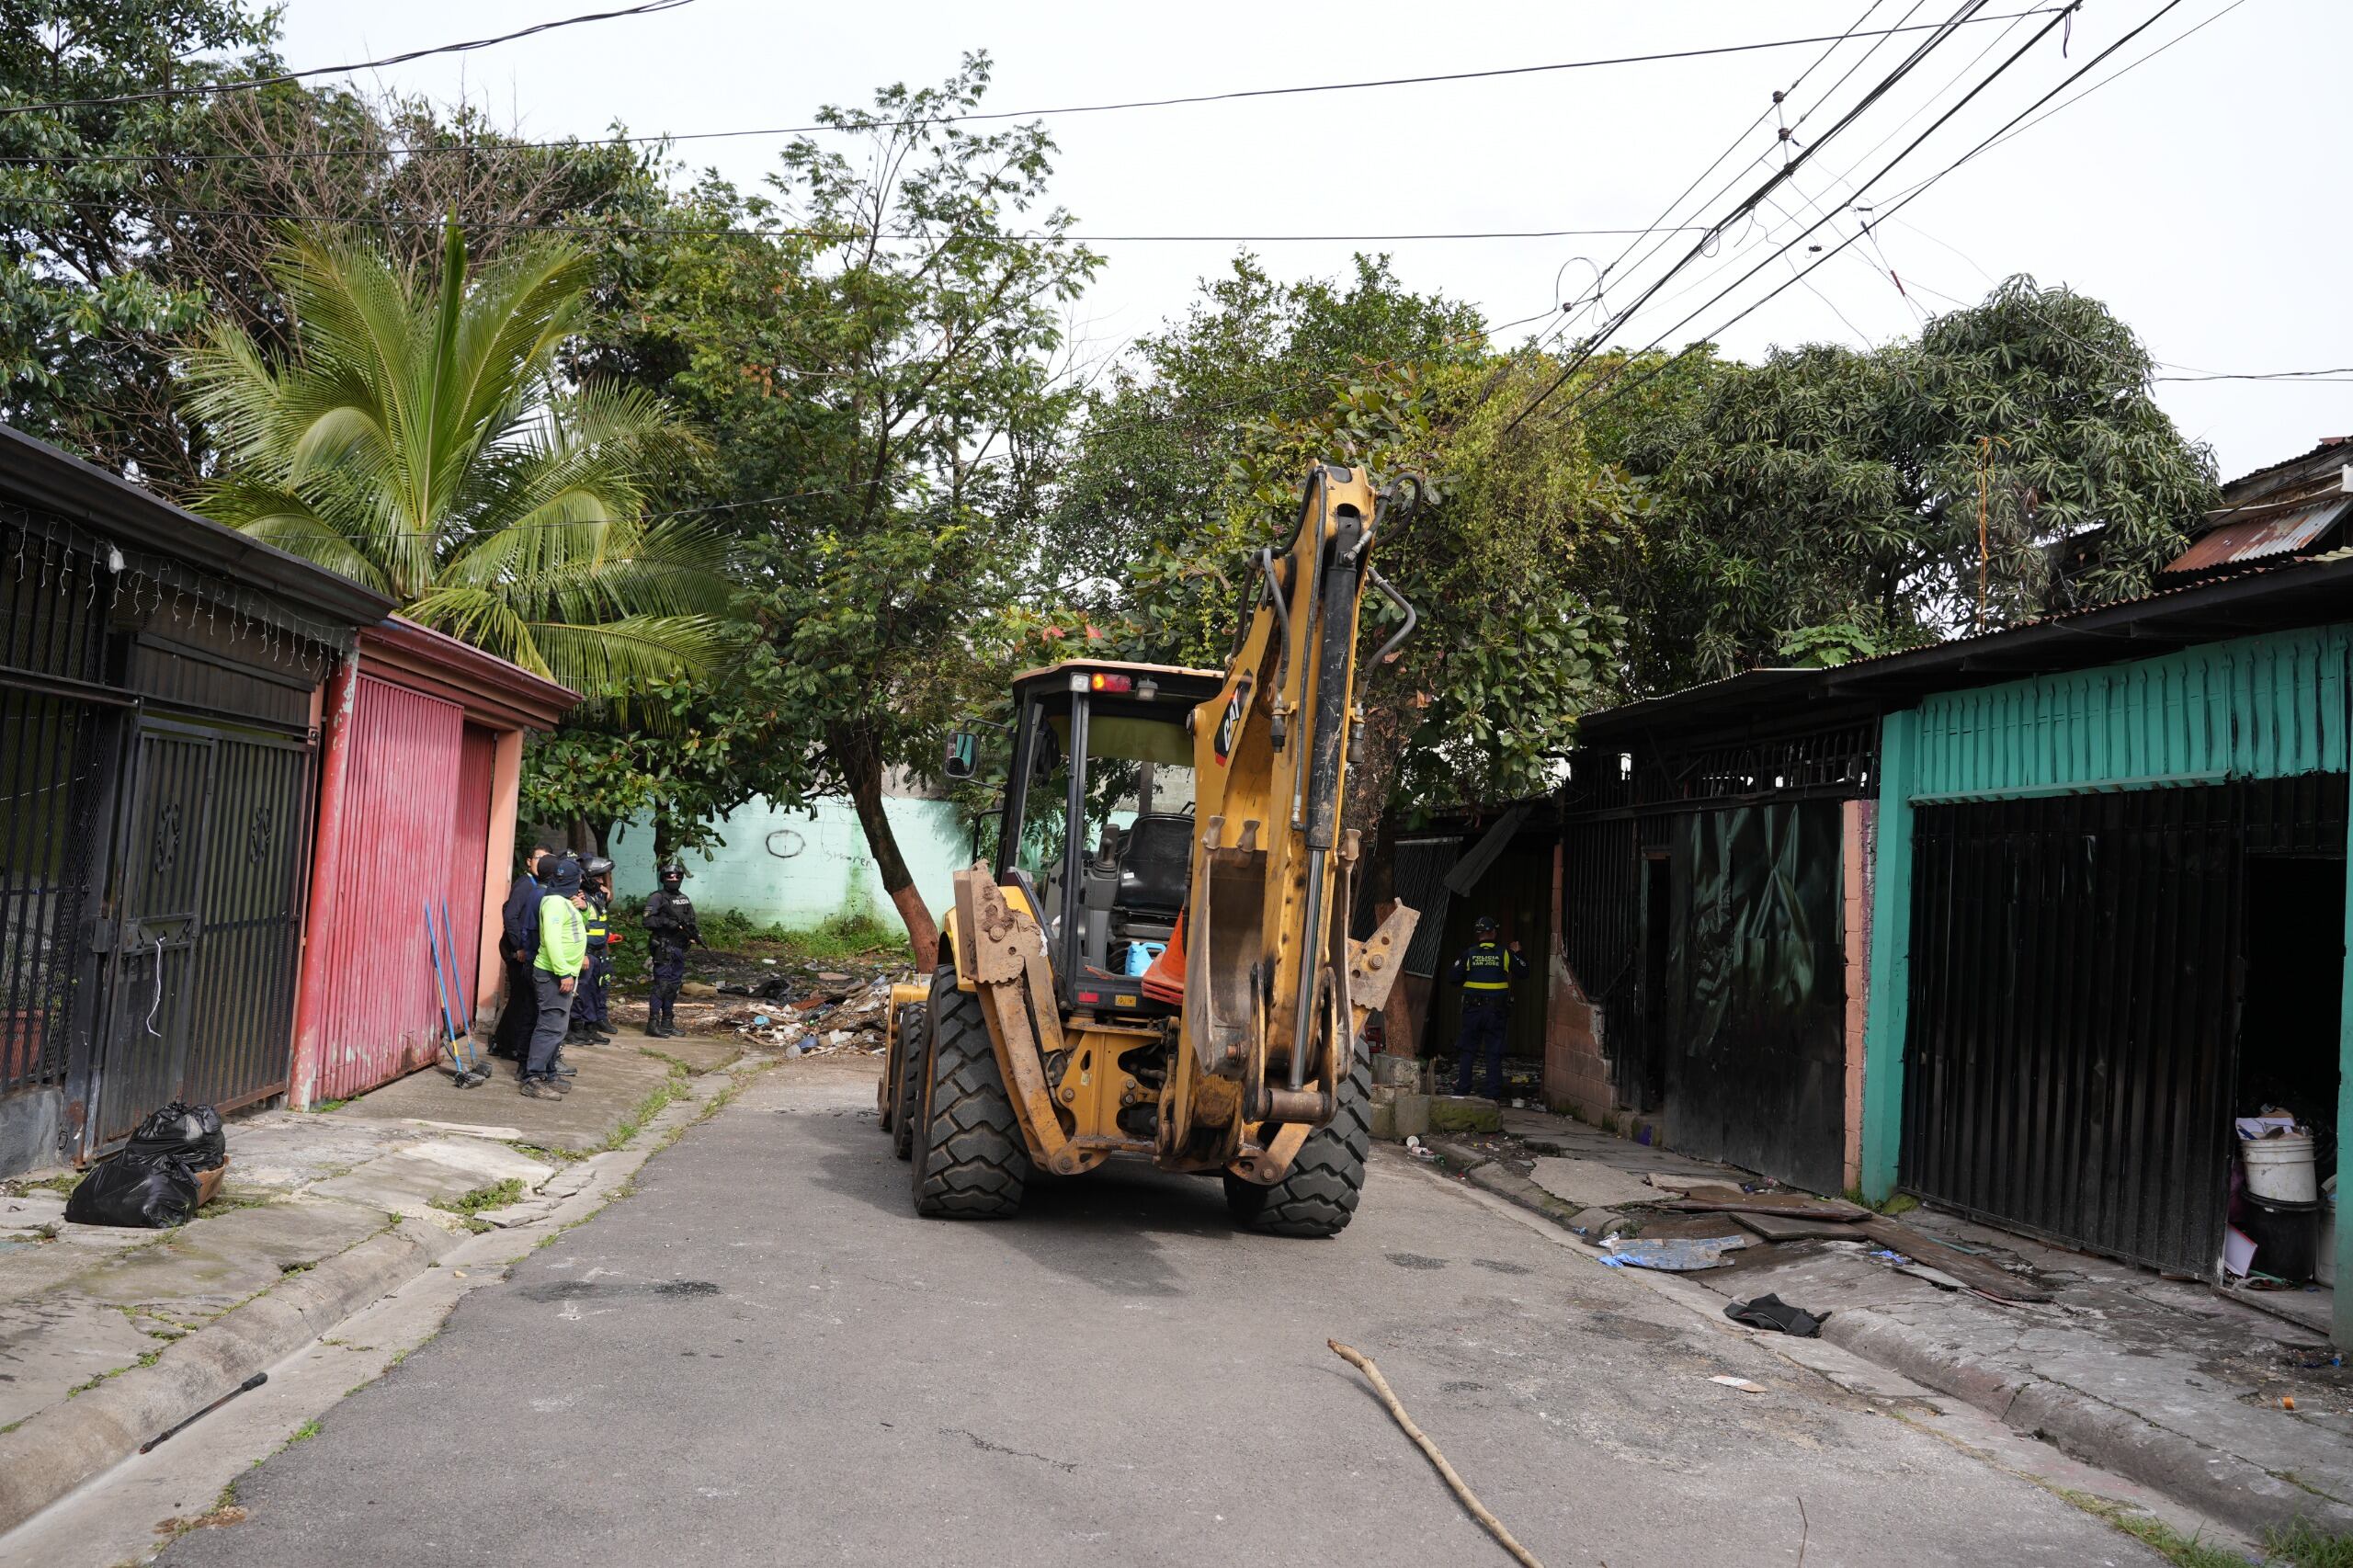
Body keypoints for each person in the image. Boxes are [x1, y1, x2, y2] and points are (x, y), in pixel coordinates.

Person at [523, 858, 591, 1099]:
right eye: (579, 877)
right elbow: (551, 940)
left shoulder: (565, 900)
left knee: (558, 1028)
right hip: (553, 974)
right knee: (550, 1027)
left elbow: (578, 927)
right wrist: (563, 972)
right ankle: (533, 1077)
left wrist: (584, 909)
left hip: (564, 973)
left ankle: (549, 1073)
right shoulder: (553, 902)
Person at [1449, 915, 1528, 1101]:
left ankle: (1462, 1091)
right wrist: (1518, 953)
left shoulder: (1469, 954)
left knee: (1468, 1050)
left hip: (1472, 1011)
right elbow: (1524, 972)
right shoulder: (1505, 953)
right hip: (1496, 1012)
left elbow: (1452, 977)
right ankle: (1492, 1095)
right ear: (1493, 933)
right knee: (1493, 1053)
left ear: (1478, 935)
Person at [493, 848, 553, 1060]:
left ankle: (505, 1042)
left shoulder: (538, 885)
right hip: (516, 950)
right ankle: (506, 1044)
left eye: (546, 859)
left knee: (522, 999)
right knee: (520, 999)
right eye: (538, 858)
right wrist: (519, 946)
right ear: (529, 861)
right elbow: (510, 915)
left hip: (524, 949)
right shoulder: (526, 885)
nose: (542, 863)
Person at [642, 860, 699, 1039]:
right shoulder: (657, 897)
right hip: (664, 947)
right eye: (670, 876)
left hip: (679, 949)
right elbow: (647, 921)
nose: (673, 878)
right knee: (661, 985)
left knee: (673, 986)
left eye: (677, 876)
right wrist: (667, 922)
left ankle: (667, 1021)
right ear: (664, 878)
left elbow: (691, 920)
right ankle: (653, 1023)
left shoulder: (683, 898)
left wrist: (694, 935)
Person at [570, 856, 617, 1046]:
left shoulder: (597, 896)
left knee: (595, 990)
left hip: (599, 952)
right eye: (598, 878)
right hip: (586, 952)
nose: (601, 882)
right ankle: (576, 1028)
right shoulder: (579, 898)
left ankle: (591, 1027)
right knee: (582, 992)